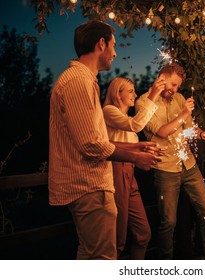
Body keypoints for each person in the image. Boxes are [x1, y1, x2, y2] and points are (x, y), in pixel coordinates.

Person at [49, 20, 161, 260]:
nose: (115, 52)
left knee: (91, 255)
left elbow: (93, 139)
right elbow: (91, 144)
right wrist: (135, 156)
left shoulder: (84, 80)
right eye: (113, 45)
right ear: (101, 44)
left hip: (90, 184)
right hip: (88, 185)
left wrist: (136, 146)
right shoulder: (78, 81)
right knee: (103, 257)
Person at [135, 62, 205, 259]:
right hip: (165, 170)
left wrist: (201, 134)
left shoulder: (179, 99)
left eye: (178, 86)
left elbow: (185, 130)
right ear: (161, 78)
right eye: (172, 84)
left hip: (188, 165)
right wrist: (184, 114)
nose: (175, 90)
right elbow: (162, 132)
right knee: (169, 222)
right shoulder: (144, 102)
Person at [102, 76, 166, 259]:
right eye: (130, 91)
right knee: (118, 238)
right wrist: (152, 96)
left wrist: (148, 150)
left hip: (130, 177)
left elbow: (131, 140)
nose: (135, 94)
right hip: (115, 173)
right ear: (117, 93)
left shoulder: (124, 118)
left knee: (143, 234)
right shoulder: (108, 111)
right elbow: (136, 125)